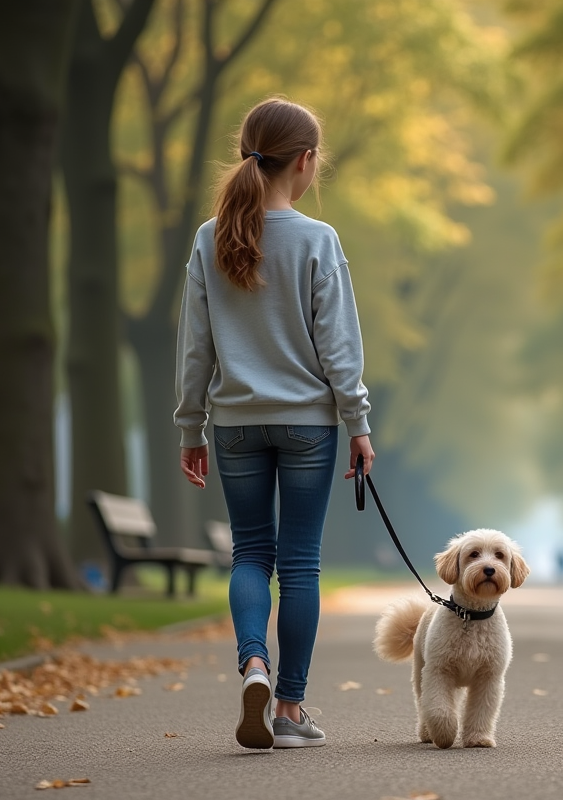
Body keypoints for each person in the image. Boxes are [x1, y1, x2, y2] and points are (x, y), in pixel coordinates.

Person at [174, 97, 374, 750]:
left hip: (234, 424)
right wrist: (360, 423)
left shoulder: (211, 238)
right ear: (307, 161)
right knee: (301, 566)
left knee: (250, 554)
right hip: (308, 426)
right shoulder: (319, 240)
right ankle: (289, 709)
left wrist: (190, 427)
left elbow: (195, 346)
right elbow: (338, 348)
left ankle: (253, 663)